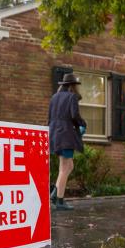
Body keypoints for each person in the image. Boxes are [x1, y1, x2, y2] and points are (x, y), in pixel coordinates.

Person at [48, 73, 87, 210]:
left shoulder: (54, 97)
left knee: (67, 166)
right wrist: (83, 124)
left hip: (54, 135)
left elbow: (49, 118)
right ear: (72, 86)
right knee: (65, 168)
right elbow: (74, 115)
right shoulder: (72, 97)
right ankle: (59, 201)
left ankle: (54, 194)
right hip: (66, 135)